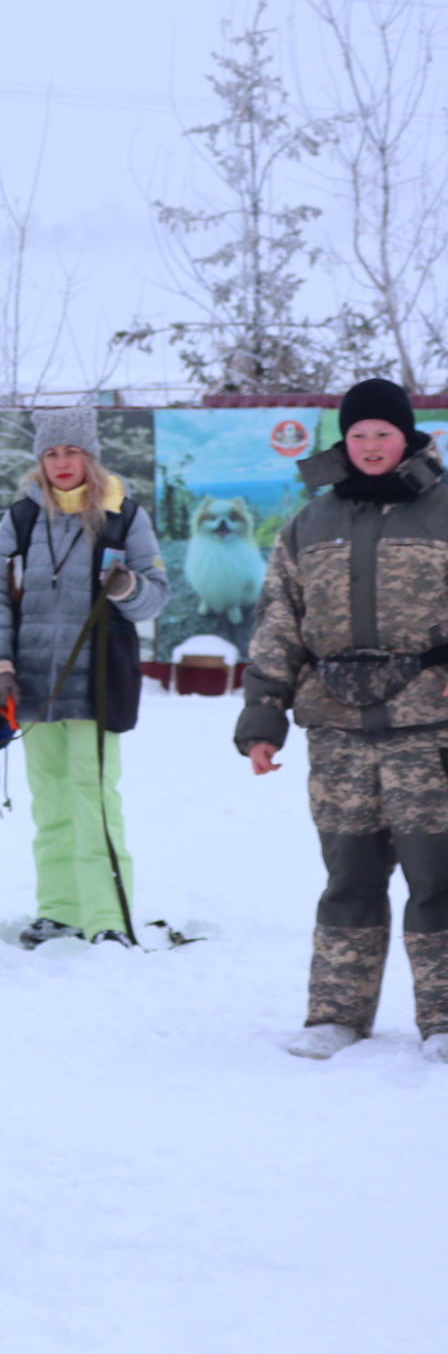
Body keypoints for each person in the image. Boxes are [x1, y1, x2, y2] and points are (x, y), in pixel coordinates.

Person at [236, 378, 448, 1063]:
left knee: (438, 876)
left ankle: (444, 1019)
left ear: (407, 435)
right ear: (344, 441)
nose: (371, 445)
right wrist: (263, 715)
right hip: (338, 731)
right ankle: (337, 1015)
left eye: (383, 433)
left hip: (430, 729)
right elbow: (279, 623)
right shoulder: (311, 523)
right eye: (358, 434)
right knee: (348, 877)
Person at [0, 407, 169, 948]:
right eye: (52, 453)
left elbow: (156, 597)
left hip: (97, 687)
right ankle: (59, 911)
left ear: (90, 456)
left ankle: (109, 919)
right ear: (40, 459)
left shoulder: (124, 517)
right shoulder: (19, 519)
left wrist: (129, 588)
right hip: (32, 688)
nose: (62, 463)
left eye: (73, 451)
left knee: (94, 799)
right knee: (50, 804)